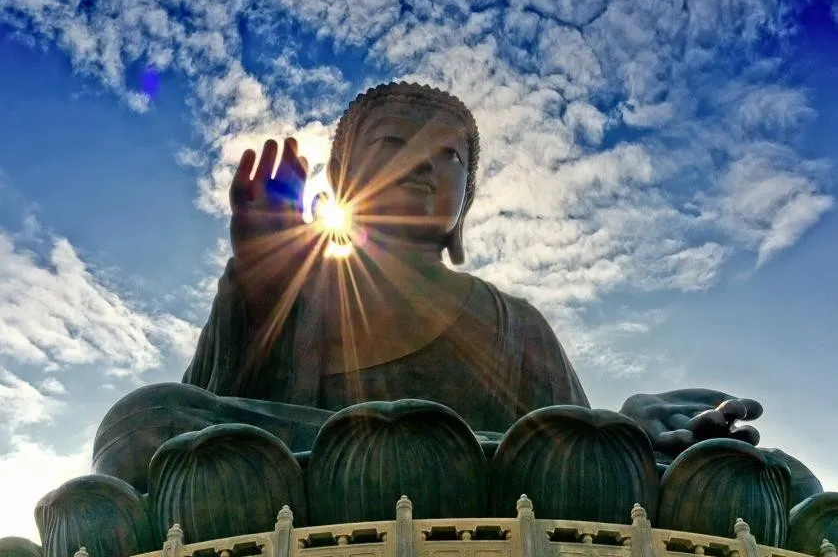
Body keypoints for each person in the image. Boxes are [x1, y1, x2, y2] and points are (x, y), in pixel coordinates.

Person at [93, 83, 761, 492]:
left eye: (449, 156)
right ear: (343, 180)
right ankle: (453, 456)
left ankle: (457, 457)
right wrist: (261, 279)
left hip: (490, 496)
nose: (422, 165)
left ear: (466, 198)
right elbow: (204, 417)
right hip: (315, 489)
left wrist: (635, 435)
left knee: (779, 476)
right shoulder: (297, 292)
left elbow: (572, 452)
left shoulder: (511, 320)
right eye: (393, 143)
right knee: (143, 421)